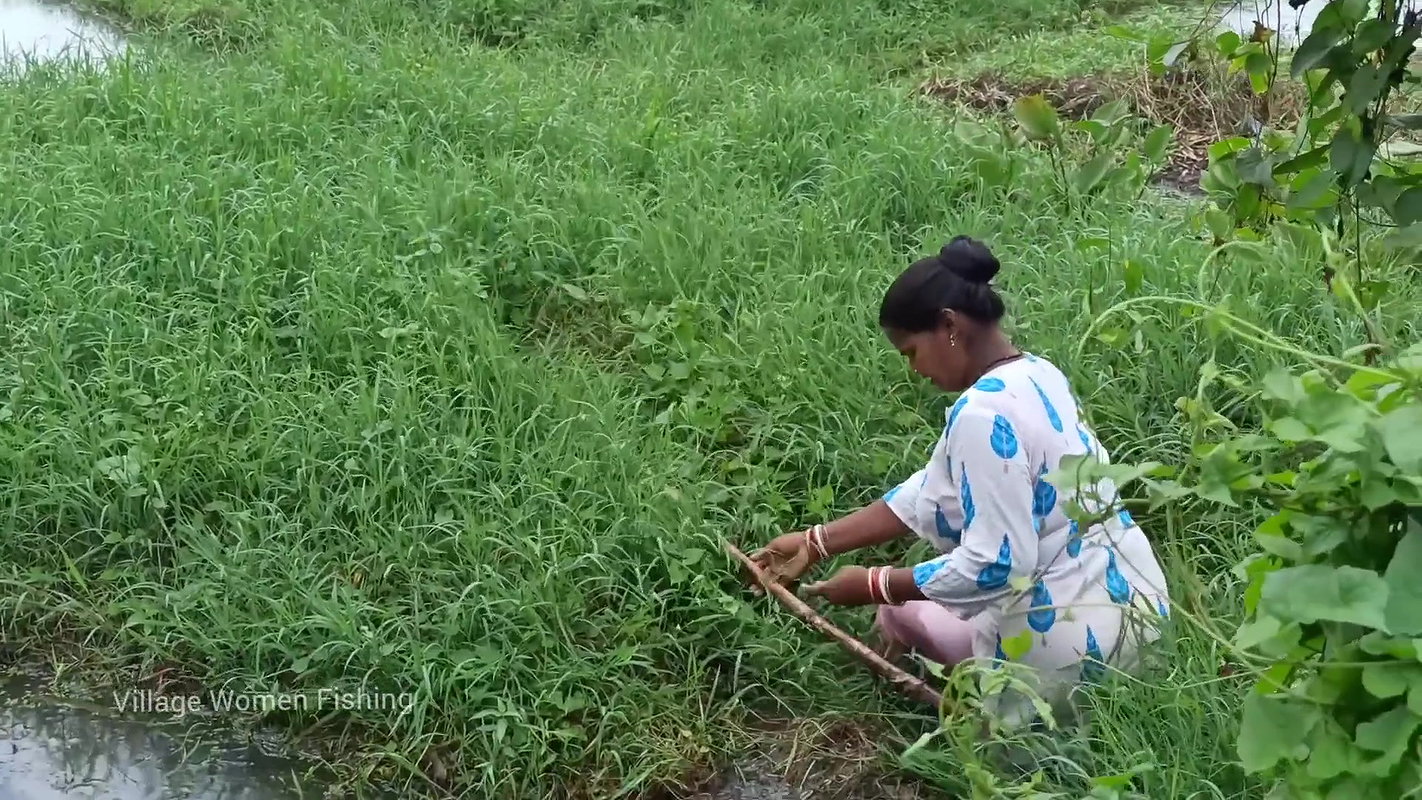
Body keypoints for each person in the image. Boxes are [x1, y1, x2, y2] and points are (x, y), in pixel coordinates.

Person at [749, 236, 1171, 726]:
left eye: (911, 352)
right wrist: (815, 542)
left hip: (1069, 653)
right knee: (917, 608)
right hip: (1138, 617)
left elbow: (995, 566)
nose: (913, 370)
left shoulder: (980, 415)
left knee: (903, 617)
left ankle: (914, 716)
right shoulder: (1037, 374)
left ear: (949, 325)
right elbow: (933, 488)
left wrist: (875, 583)